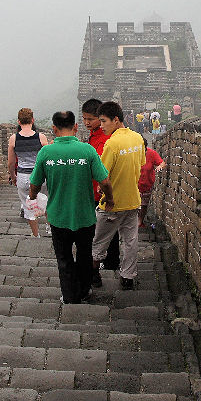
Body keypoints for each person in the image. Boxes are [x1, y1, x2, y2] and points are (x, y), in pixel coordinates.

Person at [27, 111, 113, 304]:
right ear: (75, 127)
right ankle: (84, 291)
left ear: (54, 129)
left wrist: (32, 196)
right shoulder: (87, 151)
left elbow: (35, 184)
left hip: (58, 217)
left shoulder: (46, 152)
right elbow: (105, 181)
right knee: (84, 256)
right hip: (85, 216)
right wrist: (110, 198)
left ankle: (69, 296)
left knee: (64, 258)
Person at [92, 101, 145, 290]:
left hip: (112, 205)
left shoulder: (112, 143)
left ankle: (93, 275)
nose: (102, 125)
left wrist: (102, 191)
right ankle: (128, 277)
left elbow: (102, 176)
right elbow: (140, 164)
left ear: (116, 120)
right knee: (130, 242)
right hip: (133, 201)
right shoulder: (138, 138)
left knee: (99, 243)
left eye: (104, 121)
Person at [82, 98, 119, 287]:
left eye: (92, 119)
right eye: (84, 119)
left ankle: (95, 272)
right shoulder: (94, 136)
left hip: (101, 192)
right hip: (95, 192)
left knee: (98, 234)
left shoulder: (105, 139)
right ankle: (111, 262)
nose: (87, 123)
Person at [8, 108, 50, 238]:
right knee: (48, 201)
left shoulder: (14, 138)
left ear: (18, 121)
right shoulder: (41, 138)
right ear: (33, 120)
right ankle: (50, 228)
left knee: (28, 205)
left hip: (23, 176)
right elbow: (47, 159)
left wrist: (13, 176)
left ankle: (35, 234)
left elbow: (10, 162)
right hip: (40, 175)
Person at [138, 140, 166, 228]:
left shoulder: (151, 153)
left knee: (144, 205)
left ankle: (140, 221)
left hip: (147, 184)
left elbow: (161, 162)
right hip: (134, 184)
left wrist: (159, 167)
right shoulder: (132, 153)